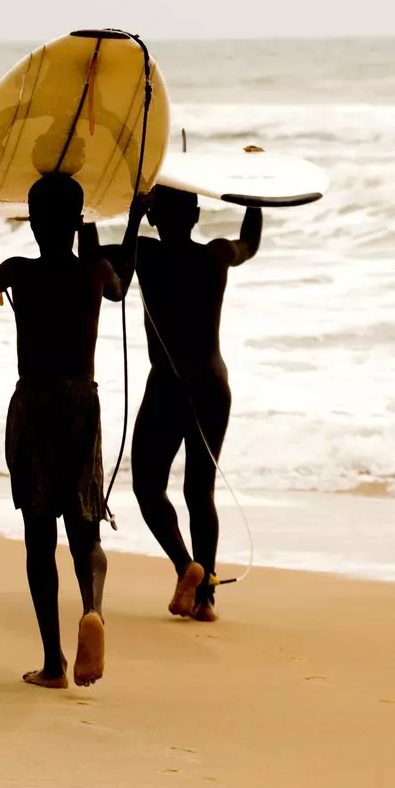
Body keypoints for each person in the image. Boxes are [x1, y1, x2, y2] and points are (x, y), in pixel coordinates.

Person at [0, 169, 142, 689]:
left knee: (38, 537)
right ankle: (91, 608)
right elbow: (123, 283)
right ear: (76, 221)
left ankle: (53, 664)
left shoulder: (23, 272)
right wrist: (133, 218)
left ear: (32, 221)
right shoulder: (94, 273)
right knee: (85, 526)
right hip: (80, 403)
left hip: (34, 404)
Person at [131, 185, 261, 621]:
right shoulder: (216, 255)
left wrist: (117, 215)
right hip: (212, 383)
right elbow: (251, 244)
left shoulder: (144, 254)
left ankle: (187, 567)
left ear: (154, 218)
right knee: (199, 490)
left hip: (168, 383)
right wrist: (253, 200)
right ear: (197, 215)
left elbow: (96, 261)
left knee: (148, 488)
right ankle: (205, 600)